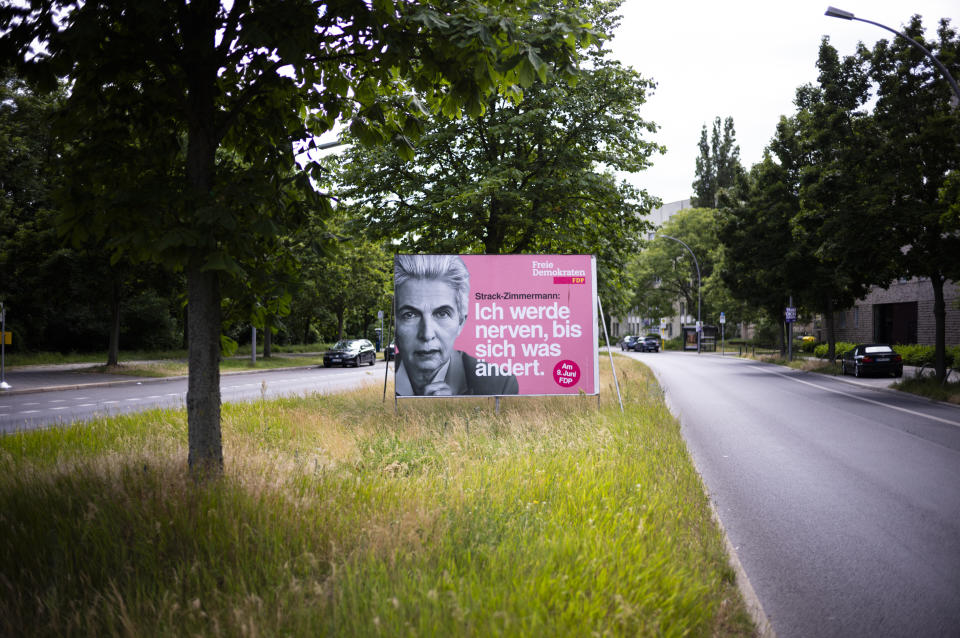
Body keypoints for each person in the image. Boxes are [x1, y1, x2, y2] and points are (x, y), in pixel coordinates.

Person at [394, 254, 519, 396]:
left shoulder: (499, 384)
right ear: (395, 324)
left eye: (442, 314)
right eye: (410, 315)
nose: (427, 334)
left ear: (461, 322)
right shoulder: (383, 382)